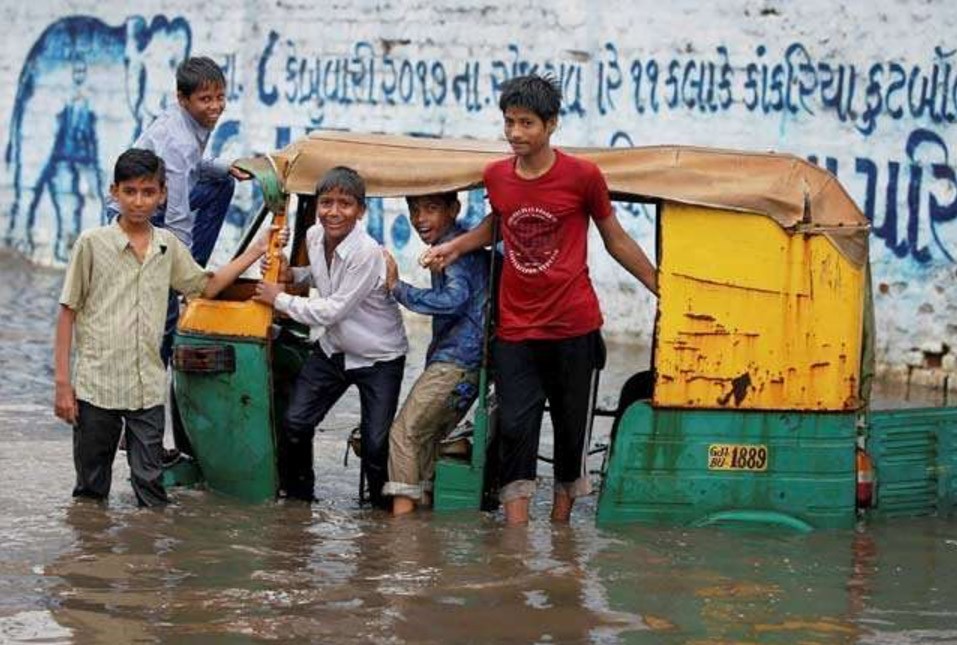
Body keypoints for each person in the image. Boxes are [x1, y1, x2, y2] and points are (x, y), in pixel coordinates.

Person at [423, 74, 658, 525]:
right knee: (515, 428)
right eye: (509, 122)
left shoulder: (583, 176)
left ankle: (560, 526)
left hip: (574, 326)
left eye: (526, 123)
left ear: (551, 125)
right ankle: (516, 540)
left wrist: (658, 284)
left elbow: (614, 239)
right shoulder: (496, 176)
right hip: (517, 328)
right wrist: (456, 246)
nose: (515, 134)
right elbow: (499, 223)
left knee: (572, 433)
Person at [54, 148, 282, 507]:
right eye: (130, 192)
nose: (139, 201)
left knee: (151, 488)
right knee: (90, 491)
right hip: (96, 387)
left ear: (162, 195)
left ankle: (148, 559)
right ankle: (91, 556)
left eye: (148, 192)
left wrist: (255, 252)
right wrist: (64, 386)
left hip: (146, 388)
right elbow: (68, 312)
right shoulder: (92, 245)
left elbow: (205, 286)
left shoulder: (167, 246)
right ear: (115, 192)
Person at [253, 166, 408, 509]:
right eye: (326, 203)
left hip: (379, 357)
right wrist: (292, 274)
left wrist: (277, 297)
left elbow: (331, 309)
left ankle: (380, 519)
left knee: (375, 444)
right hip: (334, 348)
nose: (334, 212)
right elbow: (321, 275)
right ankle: (298, 502)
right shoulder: (313, 236)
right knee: (295, 422)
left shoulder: (366, 252)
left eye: (345, 204)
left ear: (361, 211)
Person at [108, 55, 252, 365]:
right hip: (137, 212)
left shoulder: (190, 120)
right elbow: (177, 213)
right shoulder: (179, 139)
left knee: (222, 183)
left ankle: (188, 274)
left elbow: (189, 172)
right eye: (205, 99)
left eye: (220, 97)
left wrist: (226, 166)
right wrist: (184, 274)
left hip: (159, 202)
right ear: (182, 99)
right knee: (164, 310)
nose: (215, 106)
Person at [381, 192, 489, 515]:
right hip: (468, 362)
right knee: (425, 439)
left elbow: (454, 299)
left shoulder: (455, 249)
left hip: (456, 361)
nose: (419, 219)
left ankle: (400, 533)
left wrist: (398, 288)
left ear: (453, 209)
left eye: (430, 209)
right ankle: (421, 525)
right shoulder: (462, 241)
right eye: (414, 210)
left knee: (404, 432)